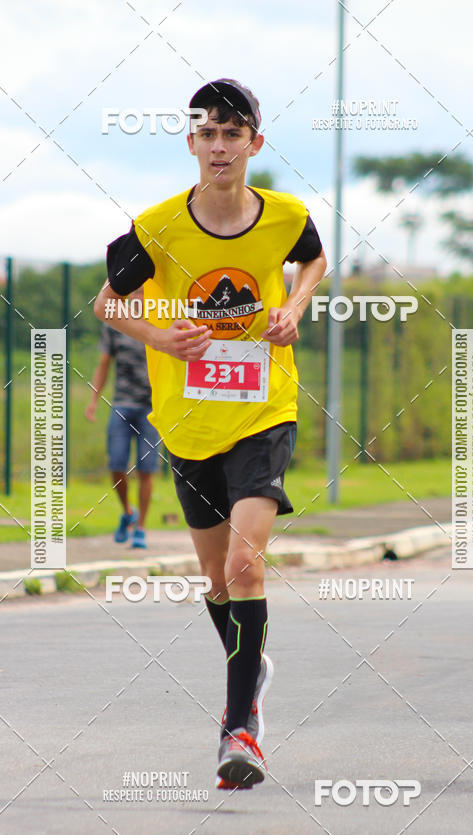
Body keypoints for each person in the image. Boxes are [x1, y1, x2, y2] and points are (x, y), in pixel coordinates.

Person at [93, 78, 326, 789]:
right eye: (208, 134)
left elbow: (312, 258)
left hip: (263, 412)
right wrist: (162, 335)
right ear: (192, 143)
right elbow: (108, 302)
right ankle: (249, 668)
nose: (220, 146)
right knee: (217, 585)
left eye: (234, 133)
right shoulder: (159, 226)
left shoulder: (286, 216)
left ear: (256, 142)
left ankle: (240, 732)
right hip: (189, 425)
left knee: (245, 569)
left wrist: (294, 303)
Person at [86, 287, 159, 549]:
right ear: (128, 296)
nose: (139, 297)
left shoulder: (160, 322)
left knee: (146, 469)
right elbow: (103, 363)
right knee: (116, 463)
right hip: (121, 404)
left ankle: (141, 529)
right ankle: (128, 511)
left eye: (144, 293)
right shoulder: (115, 324)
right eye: (135, 292)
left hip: (151, 409)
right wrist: (94, 400)